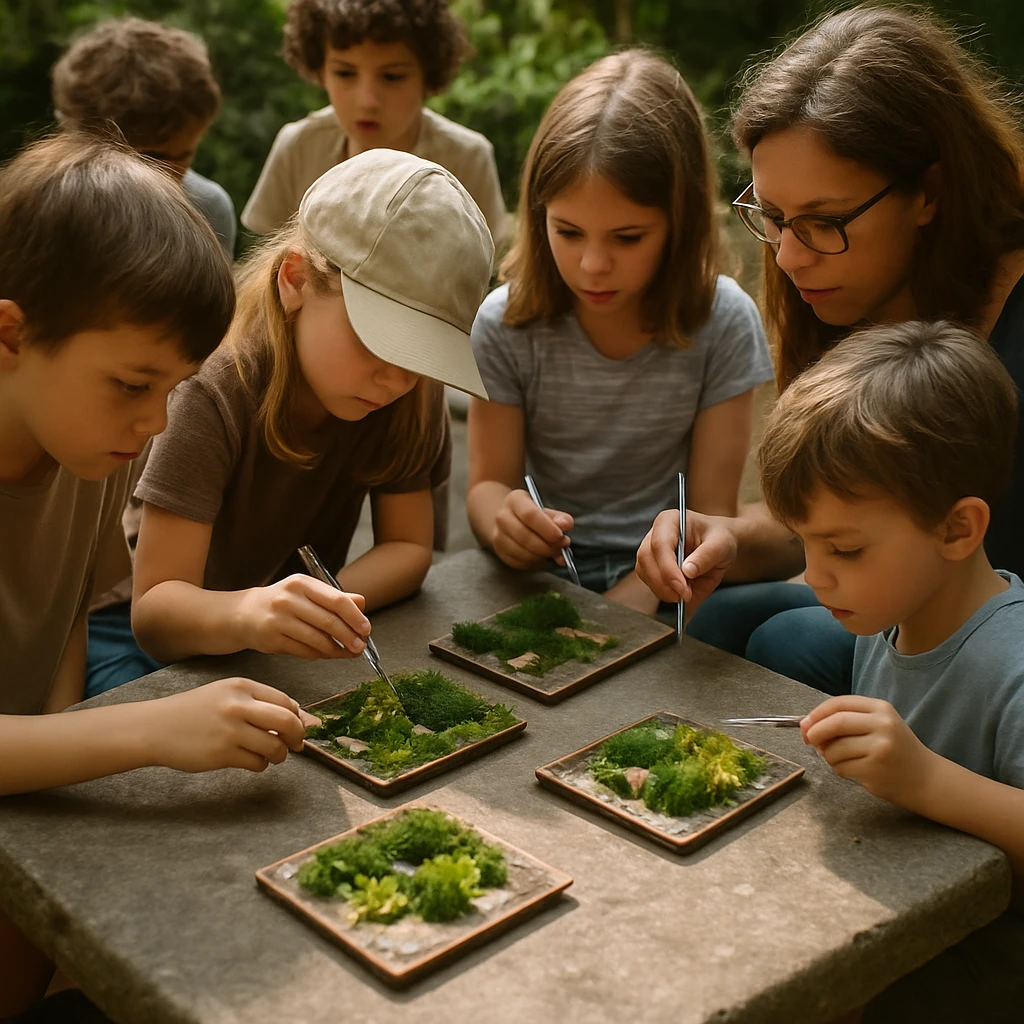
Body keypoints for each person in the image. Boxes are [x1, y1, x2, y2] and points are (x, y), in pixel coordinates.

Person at [0, 134, 317, 1019]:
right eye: (133, 383)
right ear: (9, 334)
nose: (155, 423)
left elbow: (67, 624)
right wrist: (146, 729)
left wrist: (69, 755)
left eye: (175, 387)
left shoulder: (89, 447)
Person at [636, 4, 1024, 688]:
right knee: (711, 617)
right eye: (774, 217)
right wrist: (726, 536)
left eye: (822, 222)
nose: (787, 257)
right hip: (908, 608)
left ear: (928, 193)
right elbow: (842, 514)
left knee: (791, 638)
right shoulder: (840, 291)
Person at [129, 149, 493, 665]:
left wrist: (322, 605)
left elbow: (410, 548)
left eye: (421, 353)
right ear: (295, 280)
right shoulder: (211, 393)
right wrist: (256, 615)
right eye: (378, 340)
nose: (397, 378)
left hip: (279, 643)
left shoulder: (410, 389)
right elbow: (154, 611)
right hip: (154, 646)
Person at [757, 320, 1024, 1021]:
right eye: (805, 544)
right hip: (900, 919)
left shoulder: (1014, 665)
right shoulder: (890, 611)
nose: (815, 576)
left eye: (844, 550)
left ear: (957, 530)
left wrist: (926, 780)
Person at [466, 49, 772, 615]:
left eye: (627, 238)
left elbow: (708, 517)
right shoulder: (506, 323)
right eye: (569, 232)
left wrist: (637, 598)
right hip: (546, 575)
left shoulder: (722, 320)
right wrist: (503, 523)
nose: (592, 266)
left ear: (679, 226)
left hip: (666, 575)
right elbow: (487, 486)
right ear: (538, 217)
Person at [242, 0, 505, 246]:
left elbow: (483, 278)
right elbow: (264, 268)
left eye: (392, 76)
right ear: (320, 70)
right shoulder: (298, 147)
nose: (367, 101)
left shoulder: (467, 158)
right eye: (345, 73)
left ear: (428, 75)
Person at [51, 16, 237, 256]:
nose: (166, 179)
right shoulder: (37, 210)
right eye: (149, 159)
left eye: (182, 157)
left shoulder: (208, 210)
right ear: (77, 138)